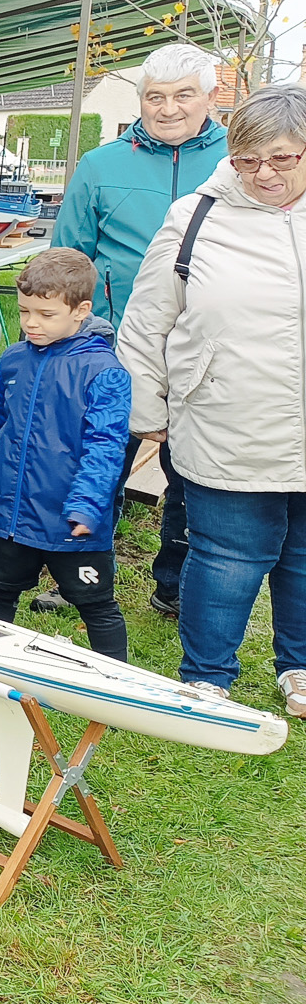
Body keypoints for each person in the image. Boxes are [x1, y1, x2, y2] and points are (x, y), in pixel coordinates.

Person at [117, 81, 306, 717]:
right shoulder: (195, 217)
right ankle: (205, 676)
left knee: (304, 558)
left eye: (283, 158)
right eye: (250, 158)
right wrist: (147, 411)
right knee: (226, 555)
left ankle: (299, 667)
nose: (264, 173)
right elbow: (146, 323)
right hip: (226, 420)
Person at [53, 43, 227, 616]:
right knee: (99, 459)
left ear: (212, 95)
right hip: (115, 346)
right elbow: (68, 257)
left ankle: (176, 585)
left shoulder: (241, 162)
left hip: (212, 350)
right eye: (155, 96)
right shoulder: (101, 165)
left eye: (184, 95)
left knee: (192, 473)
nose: (168, 108)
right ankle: (75, 571)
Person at [0, 247, 132, 660]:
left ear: (81, 310)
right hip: (10, 513)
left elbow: (107, 447)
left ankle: (119, 685)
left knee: (96, 604)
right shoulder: (12, 360)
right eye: (25, 310)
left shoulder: (104, 371)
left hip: (71, 518)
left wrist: (86, 506)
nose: (30, 323)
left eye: (45, 315)